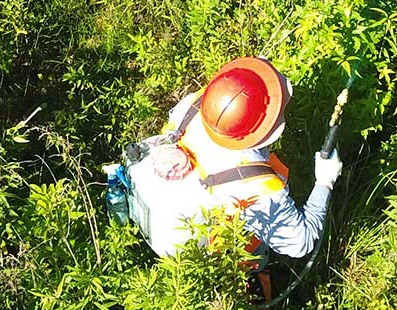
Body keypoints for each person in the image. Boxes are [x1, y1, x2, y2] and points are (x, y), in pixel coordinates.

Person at [115, 56, 343, 263]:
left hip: (158, 202)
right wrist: (325, 181)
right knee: (253, 264)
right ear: (259, 133)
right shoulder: (253, 186)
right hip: (206, 253)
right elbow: (300, 243)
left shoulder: (200, 101)